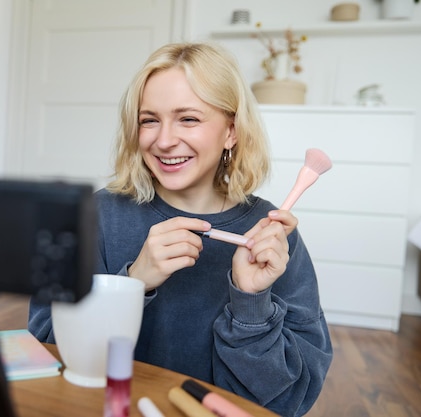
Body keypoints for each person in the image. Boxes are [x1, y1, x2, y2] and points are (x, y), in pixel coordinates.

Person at [29, 42, 332, 417]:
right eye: (149, 120)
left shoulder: (272, 237)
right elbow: (46, 348)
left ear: (231, 132)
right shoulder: (94, 215)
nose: (164, 140)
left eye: (188, 119)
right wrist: (134, 282)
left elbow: (289, 400)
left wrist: (251, 304)